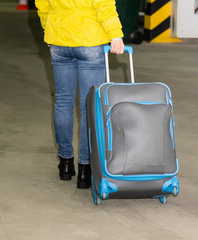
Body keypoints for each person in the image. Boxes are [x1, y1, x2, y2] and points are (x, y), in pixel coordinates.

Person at [36, 0, 125, 189]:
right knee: (89, 107)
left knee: (62, 102)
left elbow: (42, 6)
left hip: (59, 39)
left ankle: (65, 164)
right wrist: (115, 34)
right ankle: (86, 168)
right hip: (90, 39)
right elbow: (104, 4)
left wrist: (48, 29)